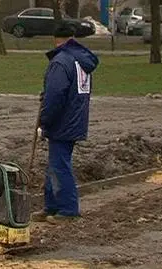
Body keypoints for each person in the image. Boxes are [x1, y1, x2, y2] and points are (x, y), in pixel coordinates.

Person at [32, 22, 99, 223]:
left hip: (62, 121)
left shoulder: (61, 62)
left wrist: (44, 121)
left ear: (56, 39)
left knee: (60, 165)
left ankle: (68, 210)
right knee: (55, 164)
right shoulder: (81, 60)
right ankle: (52, 206)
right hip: (75, 118)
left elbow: (55, 96)